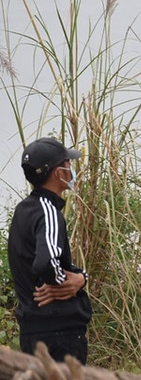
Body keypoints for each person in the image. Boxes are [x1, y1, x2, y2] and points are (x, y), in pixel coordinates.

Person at [7, 137, 92, 364]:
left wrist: (81, 277)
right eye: (67, 163)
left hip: (32, 331)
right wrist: (66, 283)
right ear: (58, 172)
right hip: (59, 331)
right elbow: (46, 262)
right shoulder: (49, 211)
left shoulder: (23, 211)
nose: (71, 169)